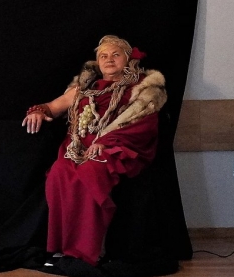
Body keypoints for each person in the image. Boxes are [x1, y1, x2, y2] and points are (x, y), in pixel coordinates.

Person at [23, 36, 166, 265]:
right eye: (103, 56)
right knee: (59, 172)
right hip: (78, 149)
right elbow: (54, 106)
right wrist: (38, 111)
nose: (109, 59)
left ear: (128, 59)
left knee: (91, 173)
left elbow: (144, 123)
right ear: (97, 62)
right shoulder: (85, 89)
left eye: (116, 55)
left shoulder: (142, 89)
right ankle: (62, 247)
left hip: (116, 148)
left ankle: (89, 249)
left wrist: (106, 143)